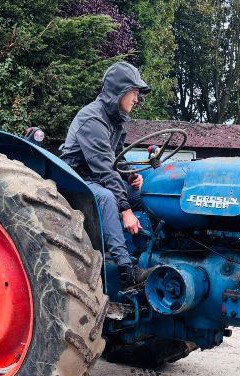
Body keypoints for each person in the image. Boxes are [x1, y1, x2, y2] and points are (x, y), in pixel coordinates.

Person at [60, 62, 152, 287]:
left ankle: (151, 250)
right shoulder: (92, 119)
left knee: (146, 194)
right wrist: (126, 210)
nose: (136, 99)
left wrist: (130, 176)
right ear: (119, 90)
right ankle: (126, 270)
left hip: (97, 178)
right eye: (134, 92)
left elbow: (118, 156)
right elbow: (104, 167)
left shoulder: (116, 120)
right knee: (108, 198)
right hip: (75, 182)